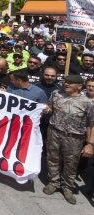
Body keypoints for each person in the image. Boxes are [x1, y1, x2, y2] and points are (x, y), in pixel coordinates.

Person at [42, 74, 94, 204]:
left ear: (80, 86)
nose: (66, 84)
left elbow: (91, 124)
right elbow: (50, 107)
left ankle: (67, 187)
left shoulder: (88, 103)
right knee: (52, 158)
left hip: (74, 138)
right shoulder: (56, 94)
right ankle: (53, 182)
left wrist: (90, 144)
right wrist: (47, 109)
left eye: (71, 83)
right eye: (66, 82)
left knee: (71, 163)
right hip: (54, 132)